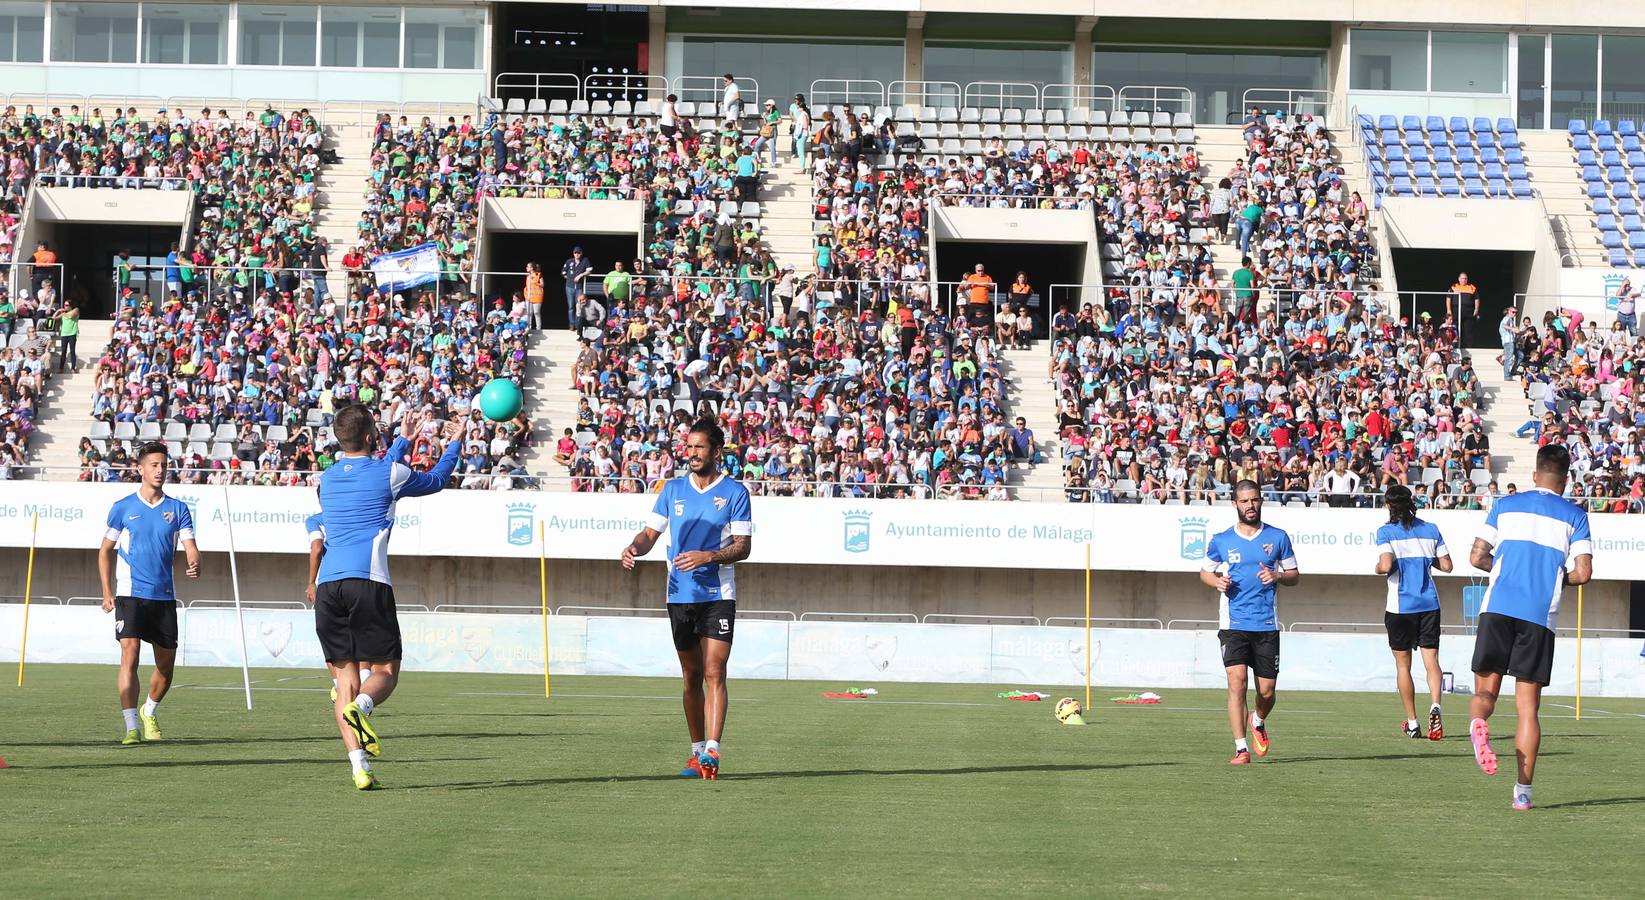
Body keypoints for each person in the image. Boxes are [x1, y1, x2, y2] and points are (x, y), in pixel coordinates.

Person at [315, 405, 462, 790]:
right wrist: (455, 443)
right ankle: (363, 708)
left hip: (328, 586)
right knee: (384, 673)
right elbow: (436, 480)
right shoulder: (387, 473)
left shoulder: (326, 480)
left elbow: (377, 473)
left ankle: (359, 767)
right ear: (368, 437)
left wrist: (406, 438)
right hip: (368, 582)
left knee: (345, 681)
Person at [621, 419, 754, 781]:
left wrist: (707, 556)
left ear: (716, 451)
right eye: (689, 447)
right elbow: (650, 533)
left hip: (718, 595)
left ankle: (713, 750)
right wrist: (635, 547)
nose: (691, 453)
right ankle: (696, 753)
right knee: (691, 675)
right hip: (679, 594)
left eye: (699, 447)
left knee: (714, 671)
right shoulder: (672, 489)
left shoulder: (736, 493)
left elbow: (743, 547)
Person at [1466, 443, 1593, 810]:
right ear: (1565, 481)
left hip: (1498, 608)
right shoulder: (1575, 516)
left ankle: (1479, 723)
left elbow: (1477, 556)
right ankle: (1523, 792)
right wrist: (1553, 579)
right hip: (1539, 616)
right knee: (1528, 709)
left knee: (1485, 694)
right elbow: (1583, 572)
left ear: (1535, 475)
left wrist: (1505, 571)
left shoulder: (1504, 505)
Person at [98, 442, 200, 745]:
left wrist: (194, 562)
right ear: (140, 469)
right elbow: (104, 552)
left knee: (165, 668)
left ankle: (149, 710)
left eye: (164, 465)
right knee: (129, 654)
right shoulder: (122, 508)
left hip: (164, 596)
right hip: (130, 593)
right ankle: (131, 726)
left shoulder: (178, 509)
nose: (160, 470)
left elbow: (191, 547)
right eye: (154, 465)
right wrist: (107, 592)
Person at [1199, 480, 1299, 765]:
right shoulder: (1221, 540)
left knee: (1266, 691)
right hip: (1233, 624)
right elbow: (1205, 572)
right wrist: (1217, 581)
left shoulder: (1278, 537)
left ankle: (1258, 719)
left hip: (1266, 624)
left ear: (1260, 500)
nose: (1250, 506)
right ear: (1235, 504)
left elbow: (1294, 574)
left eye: (1254, 500)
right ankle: (1241, 748)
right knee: (1237, 683)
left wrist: (1278, 576)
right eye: (1244, 501)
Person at [1374, 484, 1453, 741]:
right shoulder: (1431, 530)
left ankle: (1412, 722)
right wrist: (1425, 559)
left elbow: (1385, 565)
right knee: (1432, 662)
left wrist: (1377, 567)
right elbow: (1447, 566)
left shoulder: (1386, 532)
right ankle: (1436, 704)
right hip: (1429, 604)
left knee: (1403, 665)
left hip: (1400, 607)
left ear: (1388, 506)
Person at [561, 247, 593, 329]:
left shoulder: (585, 260)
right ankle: (572, 324)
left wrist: (580, 275)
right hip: (569, 286)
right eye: (575, 253)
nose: (577, 254)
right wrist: (569, 279)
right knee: (571, 306)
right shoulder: (569, 261)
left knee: (579, 305)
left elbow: (589, 270)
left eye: (578, 253)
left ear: (581, 253)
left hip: (579, 287)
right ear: (573, 253)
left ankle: (578, 324)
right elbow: (563, 272)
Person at [1449, 272, 1479, 348]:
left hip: (1469, 312)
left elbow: (1477, 299)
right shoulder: (1454, 287)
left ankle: (1469, 347)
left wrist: (1476, 309)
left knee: (1468, 330)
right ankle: (1456, 346)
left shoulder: (1471, 287)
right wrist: (1449, 310)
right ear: (1459, 279)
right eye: (1462, 278)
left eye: (1465, 278)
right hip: (1456, 312)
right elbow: (1448, 298)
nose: (1464, 280)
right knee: (1456, 330)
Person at [56, 301, 79, 372]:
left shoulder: (76, 310)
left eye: (67, 305)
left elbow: (71, 316)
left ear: (71, 306)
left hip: (72, 333)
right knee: (63, 352)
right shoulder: (63, 313)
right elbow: (54, 318)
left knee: (72, 351)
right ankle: (61, 368)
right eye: (64, 305)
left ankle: (73, 368)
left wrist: (63, 313)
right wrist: (58, 311)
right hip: (64, 334)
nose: (65, 307)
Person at [524, 261, 545, 330]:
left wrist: (536, 283)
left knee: (536, 312)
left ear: (532, 268)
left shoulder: (539, 274)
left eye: (528, 266)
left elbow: (542, 285)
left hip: (537, 297)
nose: (526, 268)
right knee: (529, 313)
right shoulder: (527, 275)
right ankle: (529, 327)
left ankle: (538, 328)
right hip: (529, 297)